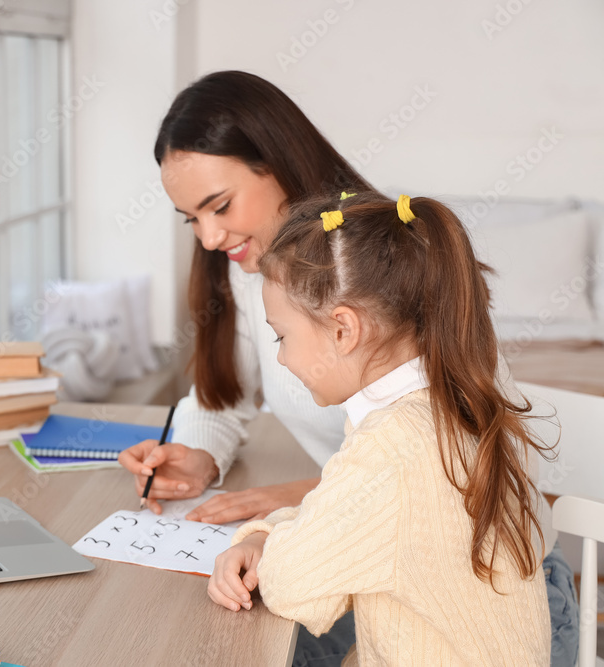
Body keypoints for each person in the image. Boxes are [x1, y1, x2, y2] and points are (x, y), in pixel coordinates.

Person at [117, 71, 578, 666]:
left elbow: (464, 466)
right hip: (373, 557)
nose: (208, 237)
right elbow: (226, 391)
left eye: (220, 206)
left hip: (485, 596)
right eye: (190, 219)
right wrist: (200, 454)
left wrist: (314, 498)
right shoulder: (251, 263)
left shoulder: (398, 273)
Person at [207, 192, 552, 664]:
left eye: (281, 336)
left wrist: (259, 542)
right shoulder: (447, 400)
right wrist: (263, 536)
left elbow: (293, 586)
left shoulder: (391, 448)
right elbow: (335, 516)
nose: (282, 358)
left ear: (344, 330)